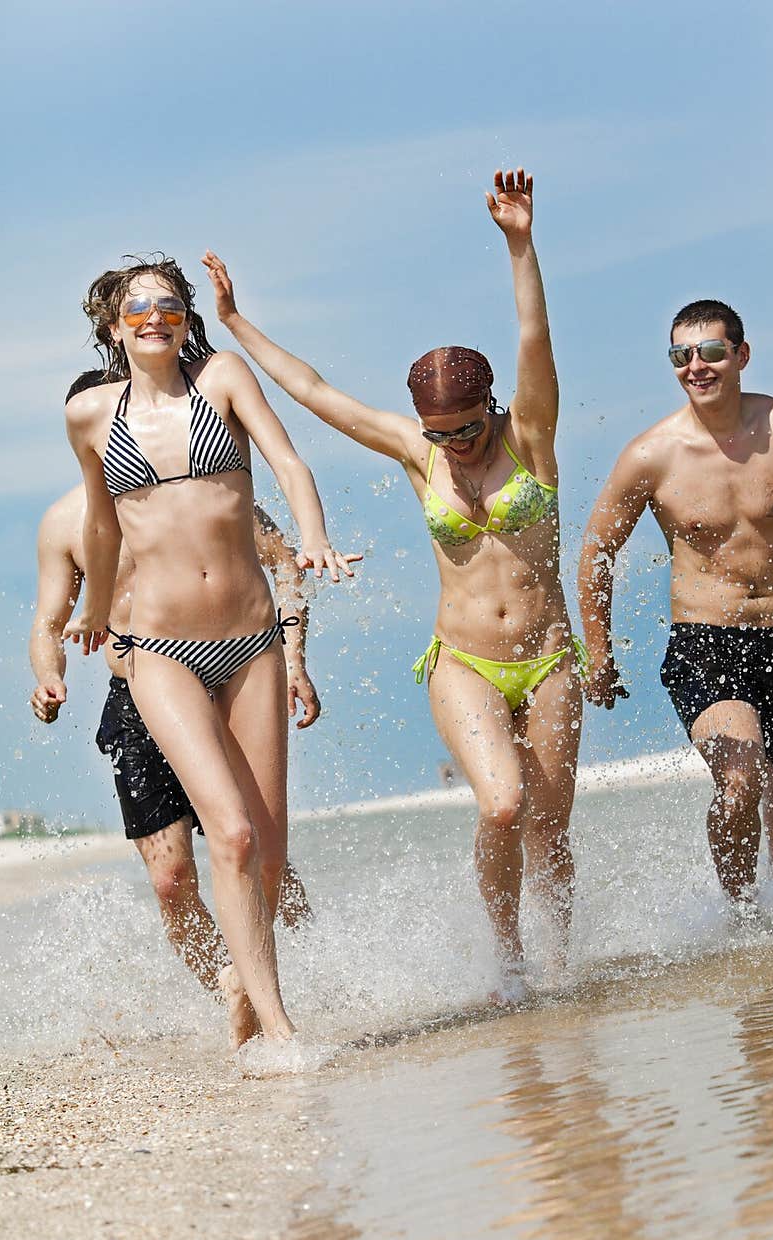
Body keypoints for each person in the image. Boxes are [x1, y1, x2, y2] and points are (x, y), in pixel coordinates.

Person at [203, 168, 586, 998]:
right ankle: (508, 961)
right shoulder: (420, 455)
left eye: (466, 428)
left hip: (551, 657)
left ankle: (563, 969)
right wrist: (235, 322)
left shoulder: (534, 435)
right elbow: (312, 392)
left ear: (492, 406)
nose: (453, 446)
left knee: (552, 833)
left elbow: (533, 337)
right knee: (502, 807)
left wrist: (521, 244)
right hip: (465, 661)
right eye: (438, 434)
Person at [62, 256, 358, 1049]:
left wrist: (317, 537)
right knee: (226, 834)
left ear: (185, 318)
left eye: (167, 304)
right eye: (136, 308)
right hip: (160, 648)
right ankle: (279, 1029)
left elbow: (288, 462)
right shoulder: (93, 415)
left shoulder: (222, 379)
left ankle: (250, 993)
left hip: (252, 642)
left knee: (266, 854)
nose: (153, 317)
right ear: (113, 326)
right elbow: (99, 524)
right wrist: (94, 611)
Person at [578, 298, 773, 922]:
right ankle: (740, 922)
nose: (695, 367)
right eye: (682, 356)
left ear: (741, 355)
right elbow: (597, 549)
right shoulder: (651, 455)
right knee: (737, 784)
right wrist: (597, 651)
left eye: (710, 352)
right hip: (706, 643)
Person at [30, 381, 318, 988]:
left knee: (262, 857)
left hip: (221, 680)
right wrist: (49, 675)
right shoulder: (63, 524)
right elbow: (47, 624)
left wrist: (293, 657)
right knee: (171, 880)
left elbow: (285, 563)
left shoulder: (202, 491)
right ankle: (230, 992)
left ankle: (311, 977)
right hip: (137, 696)